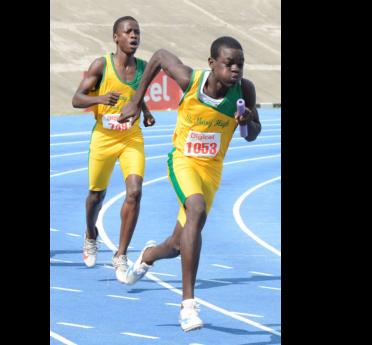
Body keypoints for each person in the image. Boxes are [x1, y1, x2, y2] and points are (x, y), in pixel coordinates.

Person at [118, 36, 262, 331]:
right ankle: (187, 306)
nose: (236, 69)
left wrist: (247, 119)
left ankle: (148, 256)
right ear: (212, 64)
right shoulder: (191, 81)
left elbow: (252, 134)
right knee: (194, 208)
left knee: (177, 245)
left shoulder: (244, 90)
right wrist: (136, 99)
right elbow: (158, 54)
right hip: (183, 160)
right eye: (229, 63)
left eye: (240, 64)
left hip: (211, 172)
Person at [71, 16, 155, 283]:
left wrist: (147, 112)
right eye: (128, 32)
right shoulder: (101, 65)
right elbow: (76, 99)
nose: (133, 36)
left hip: (131, 137)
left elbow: (136, 97)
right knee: (96, 196)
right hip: (104, 138)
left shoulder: (143, 68)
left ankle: (120, 254)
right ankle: (90, 233)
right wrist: (99, 98)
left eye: (137, 32)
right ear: (115, 36)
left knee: (135, 192)